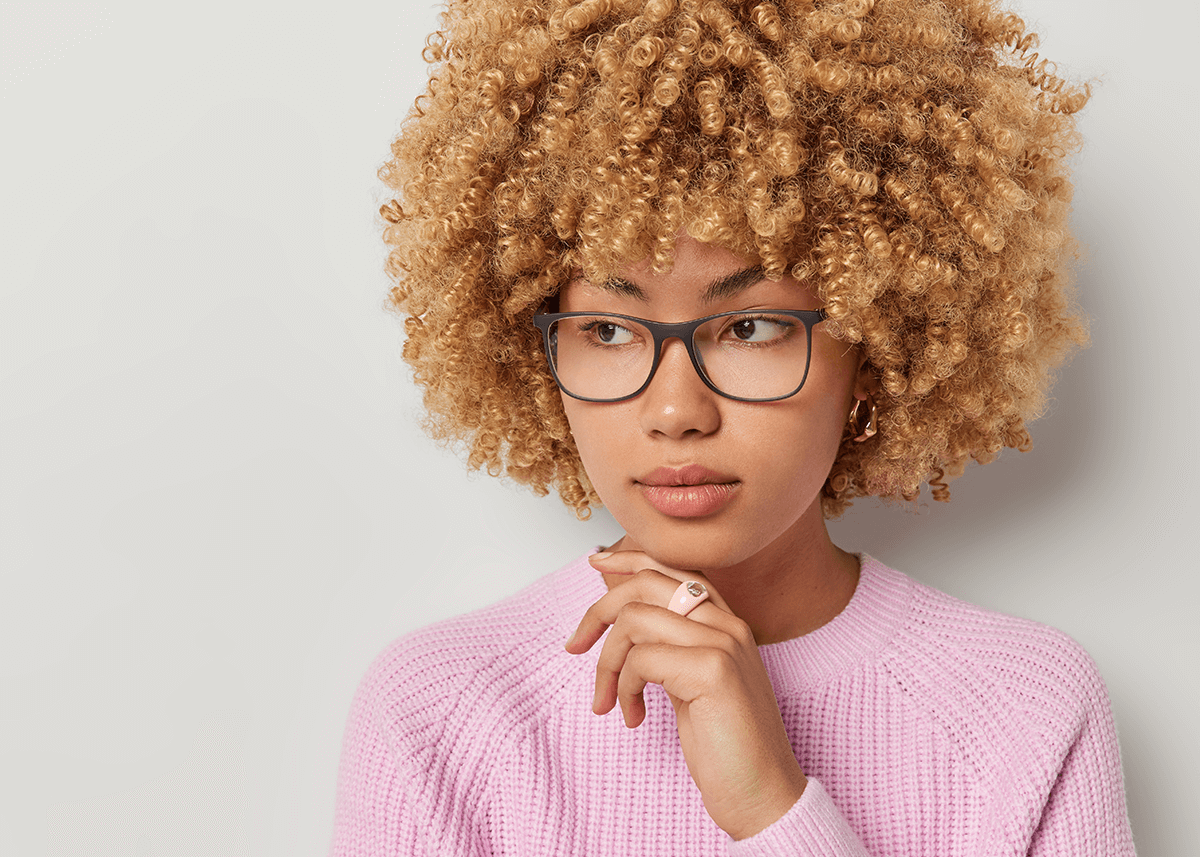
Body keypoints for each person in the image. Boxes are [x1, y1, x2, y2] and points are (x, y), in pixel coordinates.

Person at [332, 0, 1135, 853]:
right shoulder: (438, 719)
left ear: (877, 344)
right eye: (607, 329)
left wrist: (773, 811)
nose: (677, 411)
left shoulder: (1027, 713)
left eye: (750, 327)